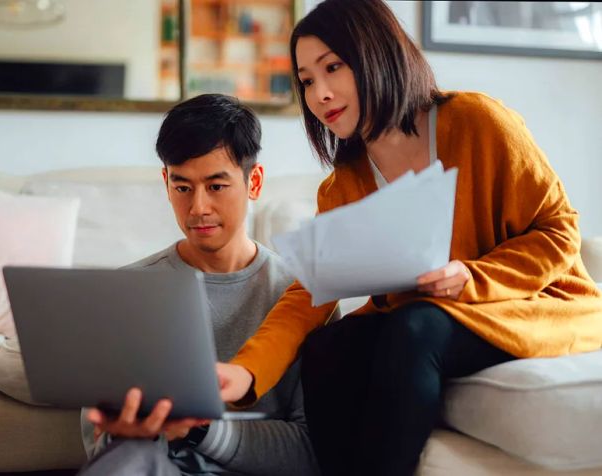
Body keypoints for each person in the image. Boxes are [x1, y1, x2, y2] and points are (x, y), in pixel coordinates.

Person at [215, 1, 602, 475]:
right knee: (327, 347)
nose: (320, 93)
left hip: (532, 304)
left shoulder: (479, 122)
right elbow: (309, 296)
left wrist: (472, 276)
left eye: (333, 67)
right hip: (432, 318)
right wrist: (246, 370)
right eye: (307, 80)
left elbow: (560, 230)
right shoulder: (343, 186)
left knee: (416, 328)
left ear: (377, 54)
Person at [78, 93, 320, 476]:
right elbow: (98, 446)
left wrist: (202, 430)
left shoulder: (304, 295)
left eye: (216, 186)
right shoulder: (128, 289)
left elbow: (311, 451)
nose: (198, 208)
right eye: (183, 187)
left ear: (253, 182)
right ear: (166, 182)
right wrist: (122, 435)